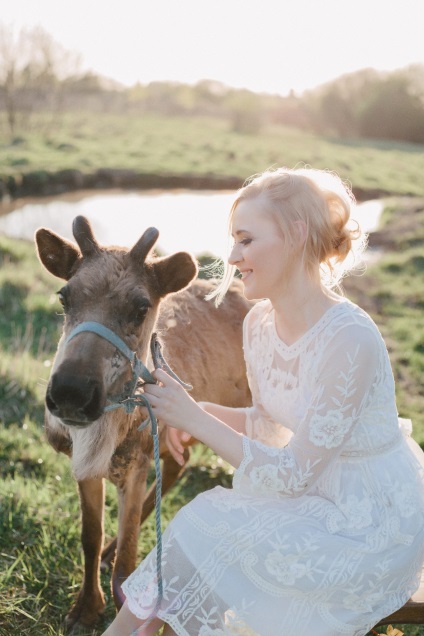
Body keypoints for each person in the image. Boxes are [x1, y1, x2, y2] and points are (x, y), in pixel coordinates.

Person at [102, 167, 424, 636]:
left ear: (296, 236)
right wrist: (204, 415)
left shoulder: (349, 338)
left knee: (203, 523)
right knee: (201, 529)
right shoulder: (258, 325)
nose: (232, 257)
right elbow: (268, 421)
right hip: (315, 500)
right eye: (233, 242)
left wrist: (195, 416)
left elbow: (292, 475)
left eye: (246, 241)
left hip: (370, 524)